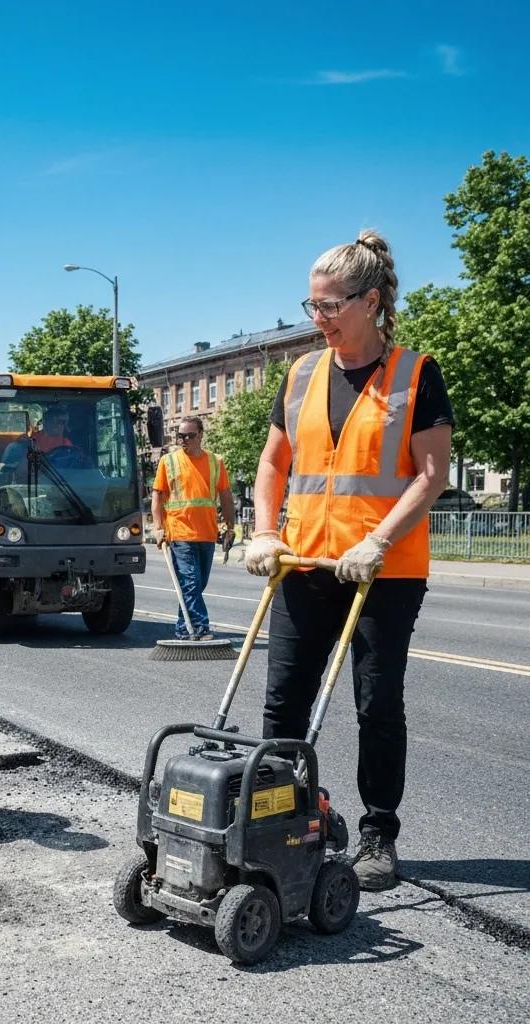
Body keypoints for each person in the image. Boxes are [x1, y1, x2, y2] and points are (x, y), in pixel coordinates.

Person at [244, 230, 453, 891]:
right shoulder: (302, 374)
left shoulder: (416, 375)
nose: (320, 320)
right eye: (312, 306)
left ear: (370, 302)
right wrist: (262, 531)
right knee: (283, 703)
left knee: (375, 703)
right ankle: (291, 817)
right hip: (304, 560)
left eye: (330, 306)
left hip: (382, 572)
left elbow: (431, 472)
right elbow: (274, 462)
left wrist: (378, 541)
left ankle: (377, 834)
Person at [151, 416, 235, 641]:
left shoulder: (215, 462)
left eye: (189, 436)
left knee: (198, 584)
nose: (184, 440)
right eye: (181, 436)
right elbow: (157, 495)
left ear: (201, 435)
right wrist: (158, 527)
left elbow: (226, 496)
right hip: (179, 533)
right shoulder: (168, 462)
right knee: (190, 582)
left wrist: (230, 527)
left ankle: (182, 627)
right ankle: (199, 627)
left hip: (207, 534)